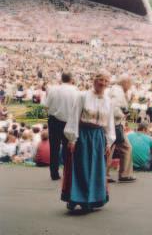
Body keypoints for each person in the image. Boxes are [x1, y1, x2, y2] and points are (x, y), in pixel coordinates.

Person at [62, 70, 116, 212]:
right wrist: (72, 138)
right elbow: (74, 116)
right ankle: (77, 198)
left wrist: (109, 142)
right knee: (81, 166)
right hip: (83, 134)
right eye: (100, 80)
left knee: (96, 168)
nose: (103, 83)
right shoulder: (83, 96)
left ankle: (93, 199)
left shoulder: (109, 101)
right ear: (94, 80)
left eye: (106, 81)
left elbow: (109, 123)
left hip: (98, 136)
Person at [45, 72, 78, 180]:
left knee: (54, 148)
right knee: (67, 148)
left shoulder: (53, 89)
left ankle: (54, 173)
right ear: (71, 79)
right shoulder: (76, 91)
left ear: (62, 79)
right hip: (69, 122)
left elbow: (46, 105)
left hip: (54, 120)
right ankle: (67, 173)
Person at [108, 74, 136, 183]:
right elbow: (114, 108)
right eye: (130, 83)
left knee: (114, 148)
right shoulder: (117, 91)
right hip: (114, 124)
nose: (130, 86)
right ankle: (123, 174)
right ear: (125, 83)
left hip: (114, 124)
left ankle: (116, 174)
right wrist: (123, 114)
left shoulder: (117, 90)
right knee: (114, 148)